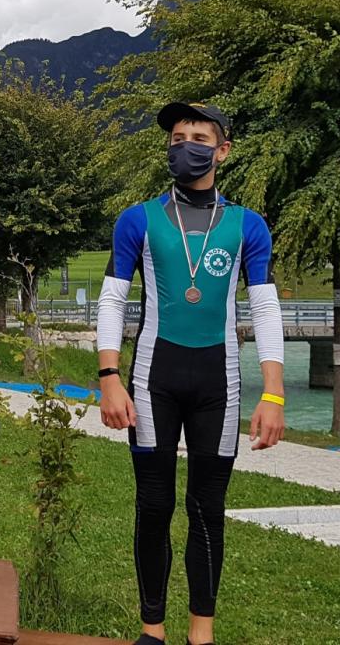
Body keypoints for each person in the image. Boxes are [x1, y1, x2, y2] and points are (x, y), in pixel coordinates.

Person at [96, 101, 285, 645]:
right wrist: (109, 377)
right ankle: (152, 631)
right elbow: (112, 301)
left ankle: (201, 634)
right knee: (154, 505)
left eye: (199, 139)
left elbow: (265, 309)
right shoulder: (138, 219)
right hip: (152, 378)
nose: (186, 147)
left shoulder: (248, 225)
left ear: (222, 151)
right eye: (178, 138)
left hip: (218, 383)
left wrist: (274, 394)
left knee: (207, 509)